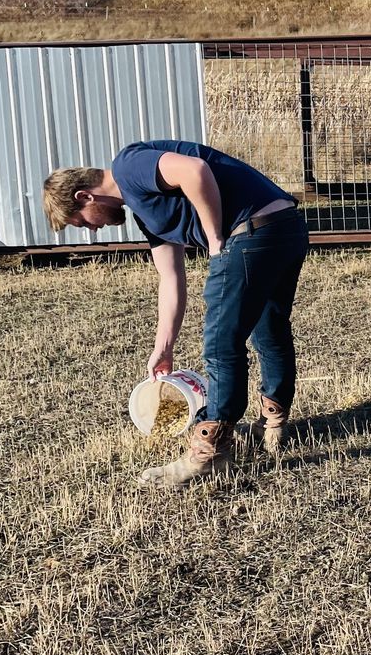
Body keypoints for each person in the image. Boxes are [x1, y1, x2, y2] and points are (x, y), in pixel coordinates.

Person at [42, 141, 308, 487]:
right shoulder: (147, 212)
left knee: (220, 344)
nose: (92, 230)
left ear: (84, 197)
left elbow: (194, 170)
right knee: (268, 329)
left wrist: (214, 237)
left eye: (81, 223)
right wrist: (163, 347)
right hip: (283, 227)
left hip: (251, 233)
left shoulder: (128, 166)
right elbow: (170, 278)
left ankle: (209, 453)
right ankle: (273, 427)